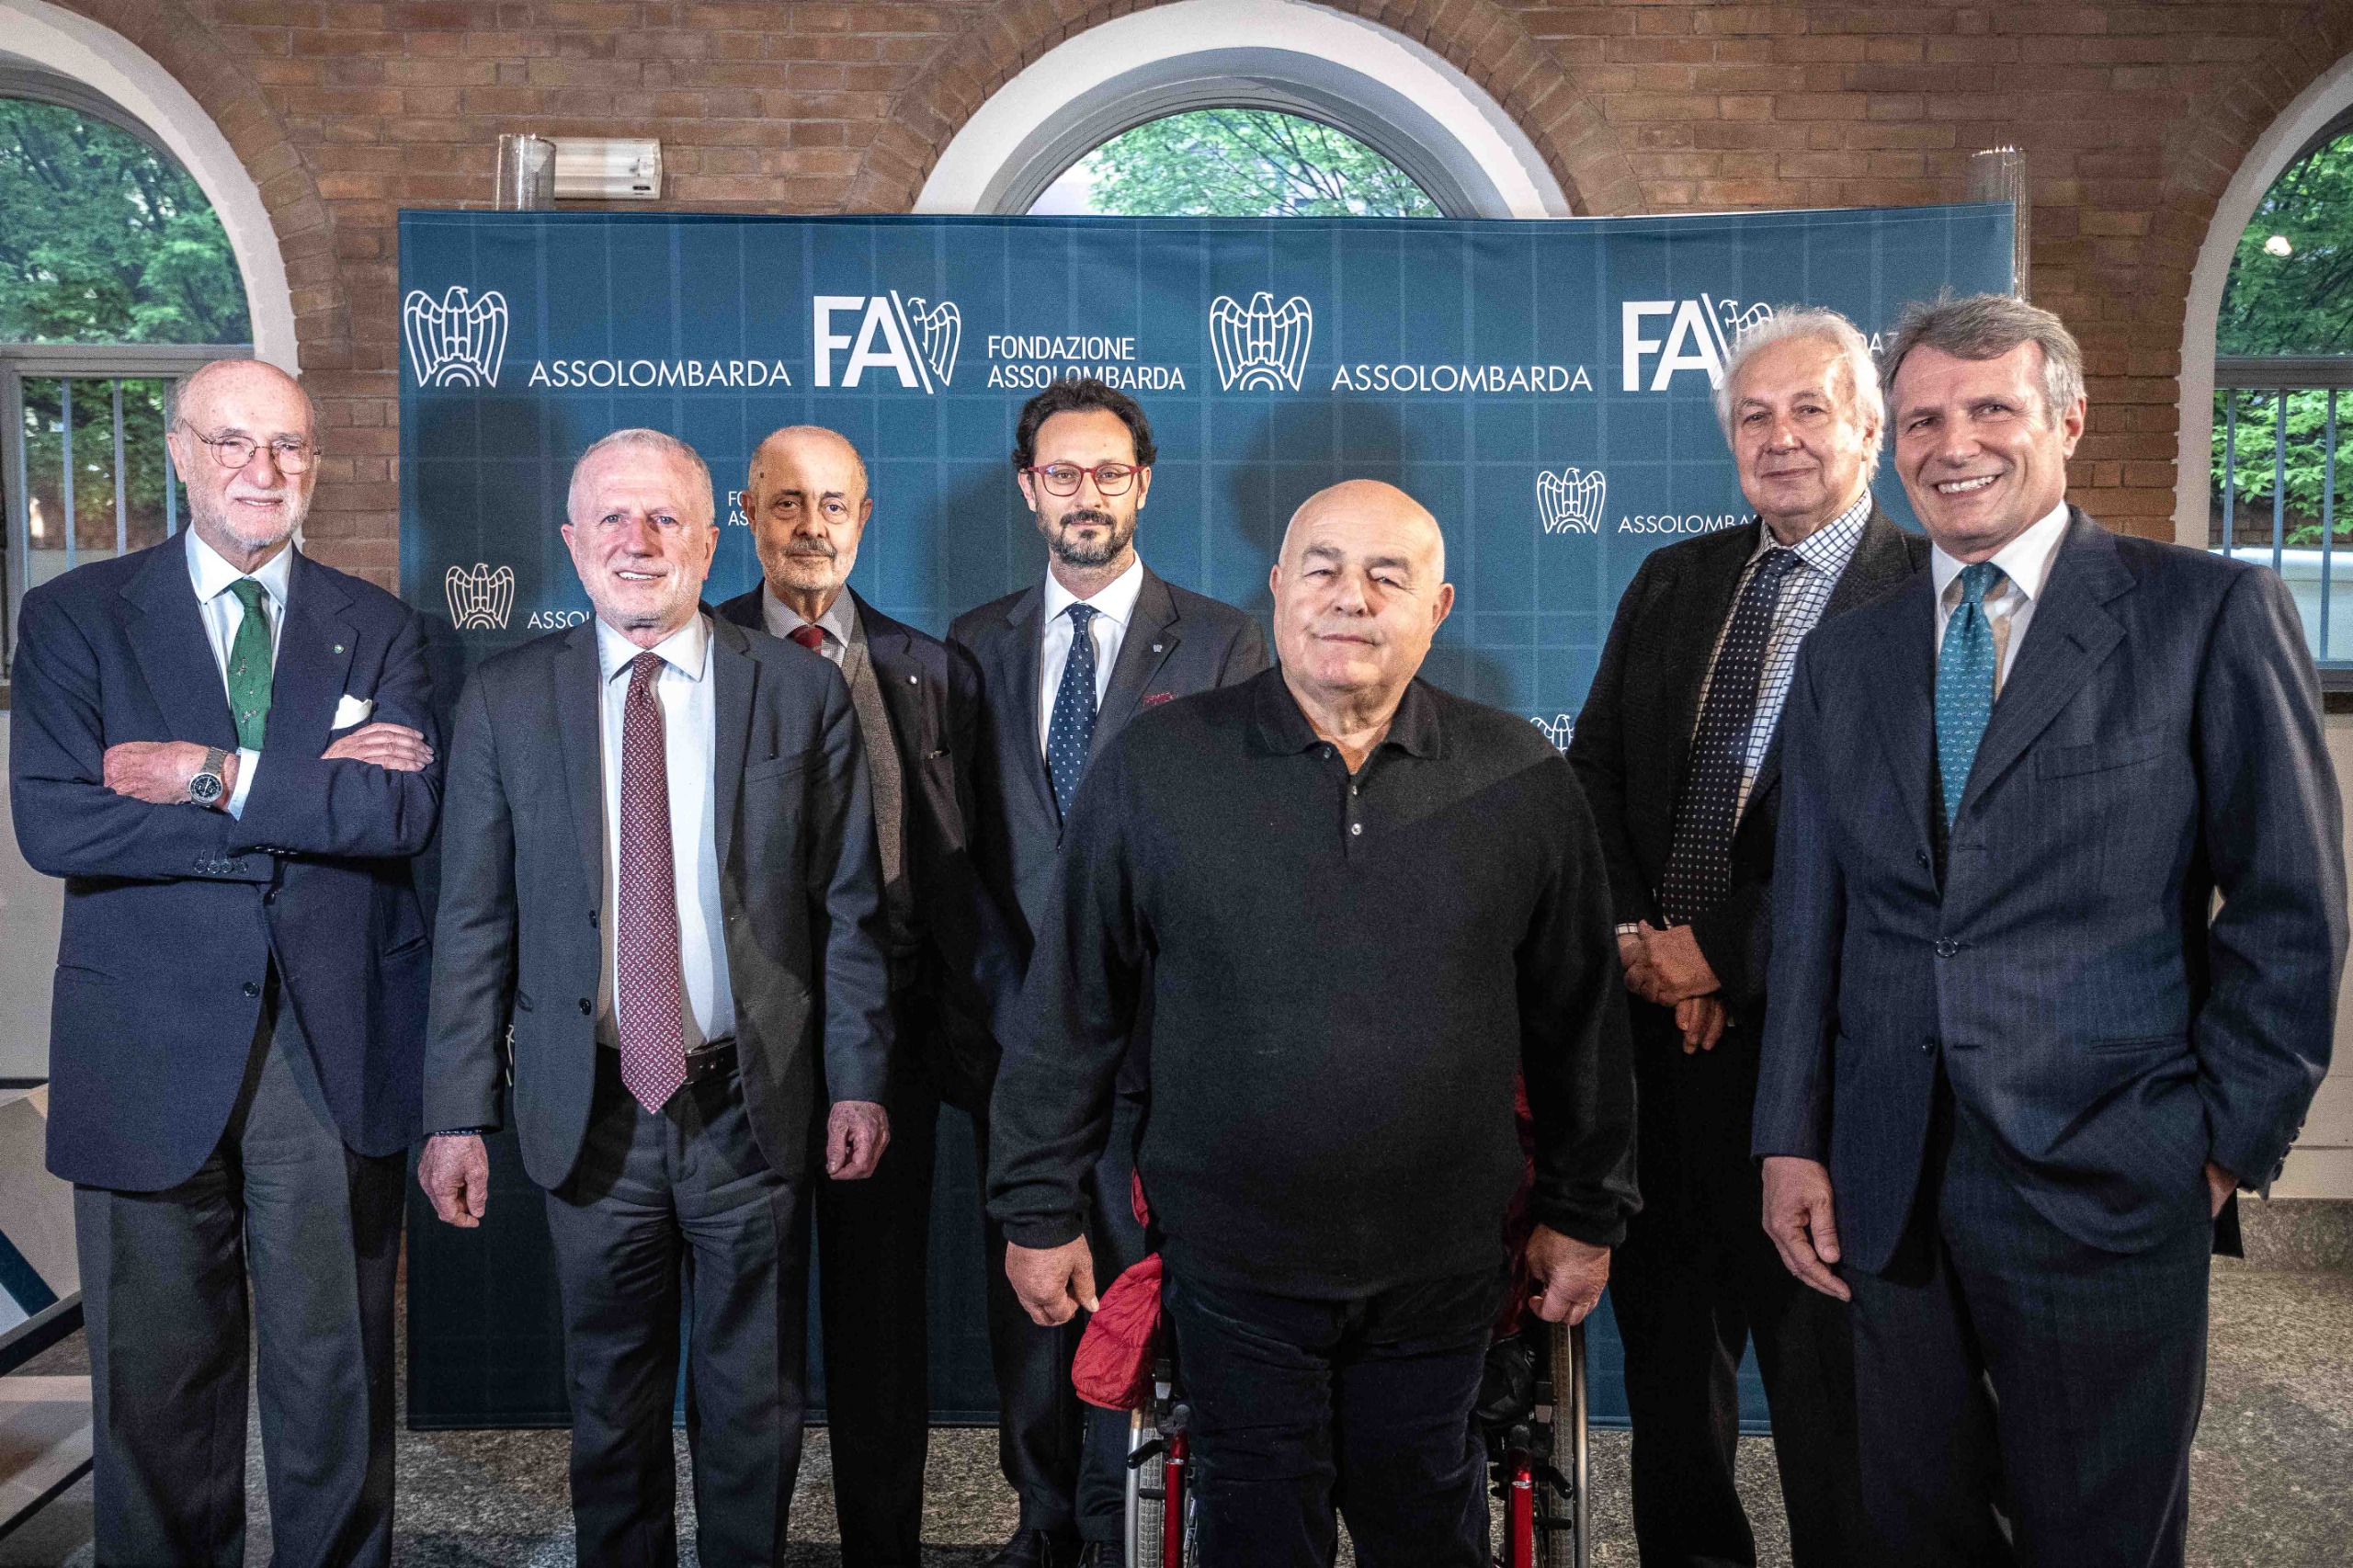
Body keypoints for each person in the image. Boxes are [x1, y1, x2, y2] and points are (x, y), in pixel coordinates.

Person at [1755, 293, 2346, 1567]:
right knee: (1912, 1529)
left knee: (2098, 1533)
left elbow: (2290, 902)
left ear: (2066, 421)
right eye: (1922, 419)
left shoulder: (2206, 612)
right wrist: (1790, 1136)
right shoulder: (1845, 657)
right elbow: (1811, 915)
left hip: (2114, 1169)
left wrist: (2221, 1142)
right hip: (1887, 1176)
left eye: (1991, 408)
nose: (1953, 443)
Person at [989, 479, 1638, 1568]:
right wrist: (1036, 1202)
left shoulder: (1522, 773)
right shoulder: (1156, 765)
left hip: (1443, 1264)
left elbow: (1579, 1021)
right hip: (1232, 1261)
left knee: (1426, 1528)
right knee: (1255, 1532)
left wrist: (1584, 1212)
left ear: (1435, 607)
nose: (1351, 597)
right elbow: (1070, 1005)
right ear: (1279, 587)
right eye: (1324, 568)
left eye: (1386, 575)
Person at [416, 427, 894, 1567]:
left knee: (754, 1401)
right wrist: (456, 1110)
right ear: (572, 542)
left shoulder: (797, 690)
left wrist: (859, 1081)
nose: (637, 542)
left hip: (751, 1105)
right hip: (588, 1111)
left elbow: (849, 909)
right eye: (612, 520)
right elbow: (473, 919)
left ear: (709, 538)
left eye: (664, 518)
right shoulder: (505, 699)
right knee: (609, 1401)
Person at [8, 358, 439, 1565]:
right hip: (142, 1047)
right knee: (156, 1393)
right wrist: (305, 794)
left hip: (328, 1042)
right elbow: (61, 823)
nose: (264, 469)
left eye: (289, 445)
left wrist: (210, 773)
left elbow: (398, 814)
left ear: (316, 464)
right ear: (180, 452)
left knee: (334, 1384)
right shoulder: (77, 617)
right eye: (234, 442)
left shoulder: (380, 626)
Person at [1568, 307, 1914, 1566]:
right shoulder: (1675, 579)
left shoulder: (1925, 595)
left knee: (1828, 1384)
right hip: (1660, 1048)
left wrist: (1721, 949)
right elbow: (1595, 770)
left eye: (1810, 409)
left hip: (1821, 1061)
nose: (1781, 438)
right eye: (1754, 416)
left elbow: (1901, 828)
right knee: (1670, 1370)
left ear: (1867, 428)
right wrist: (1645, 942)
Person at [948, 378, 1267, 1567]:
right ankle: (1042, 1520)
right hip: (1015, 1047)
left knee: (1143, 1305)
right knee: (1028, 1301)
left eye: (1109, 472)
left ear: (1144, 484)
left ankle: (1130, 1527)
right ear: (1028, 489)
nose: (1086, 494)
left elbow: (1241, 853)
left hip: (1164, 1054)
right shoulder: (971, 645)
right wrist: (1015, 1008)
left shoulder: (1227, 643)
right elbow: (957, 853)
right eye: (1062, 473)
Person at [716, 425, 1012, 1567]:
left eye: (833, 503)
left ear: (865, 516)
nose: (812, 526)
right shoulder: (696, 649)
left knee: (880, 1330)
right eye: (787, 502)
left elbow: (967, 861)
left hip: (892, 1046)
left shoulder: (929, 667)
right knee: (748, 1336)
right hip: (737, 1049)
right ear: (746, 512)